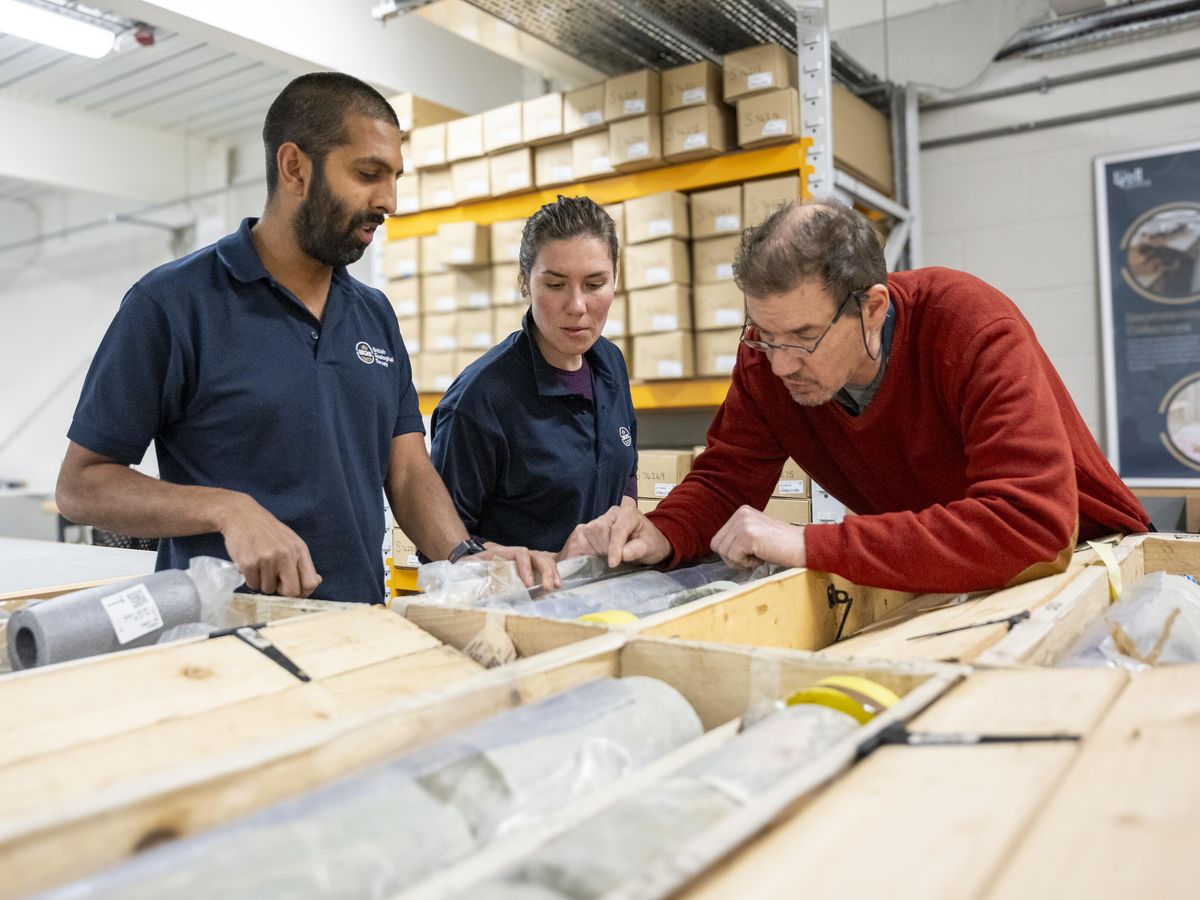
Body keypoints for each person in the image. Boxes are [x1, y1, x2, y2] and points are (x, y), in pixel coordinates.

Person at [55, 72, 558, 603]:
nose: (389, 200)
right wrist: (227, 509)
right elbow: (80, 485)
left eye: (394, 177)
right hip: (225, 643)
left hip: (357, 628)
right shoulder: (173, 303)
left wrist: (464, 556)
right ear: (294, 167)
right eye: (368, 173)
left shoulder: (374, 314)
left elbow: (407, 469)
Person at [564, 199, 1151, 593]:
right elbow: (726, 479)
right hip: (949, 579)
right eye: (764, 334)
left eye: (803, 337)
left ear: (872, 308)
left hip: (1085, 569)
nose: (782, 363)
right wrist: (663, 533)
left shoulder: (970, 325)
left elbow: (1031, 526)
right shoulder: (766, 358)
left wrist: (810, 542)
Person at [430, 196, 637, 551]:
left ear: (615, 280)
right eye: (555, 285)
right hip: (518, 604)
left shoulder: (611, 363)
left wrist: (626, 517)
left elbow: (625, 472)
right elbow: (440, 548)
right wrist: (545, 567)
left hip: (605, 598)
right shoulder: (479, 400)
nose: (577, 306)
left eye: (594, 284)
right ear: (525, 282)